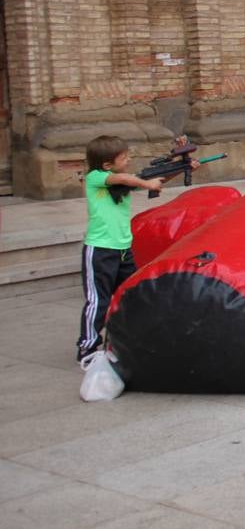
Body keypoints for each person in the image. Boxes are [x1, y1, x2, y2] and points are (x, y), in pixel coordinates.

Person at [78, 135, 166, 364]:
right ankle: (87, 347)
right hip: (100, 250)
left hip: (124, 249)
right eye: (124, 157)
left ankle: (131, 339)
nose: (129, 160)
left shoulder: (120, 182)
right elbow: (126, 178)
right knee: (98, 300)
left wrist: (177, 171)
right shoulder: (95, 177)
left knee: (133, 295)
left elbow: (141, 180)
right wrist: (146, 183)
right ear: (107, 164)